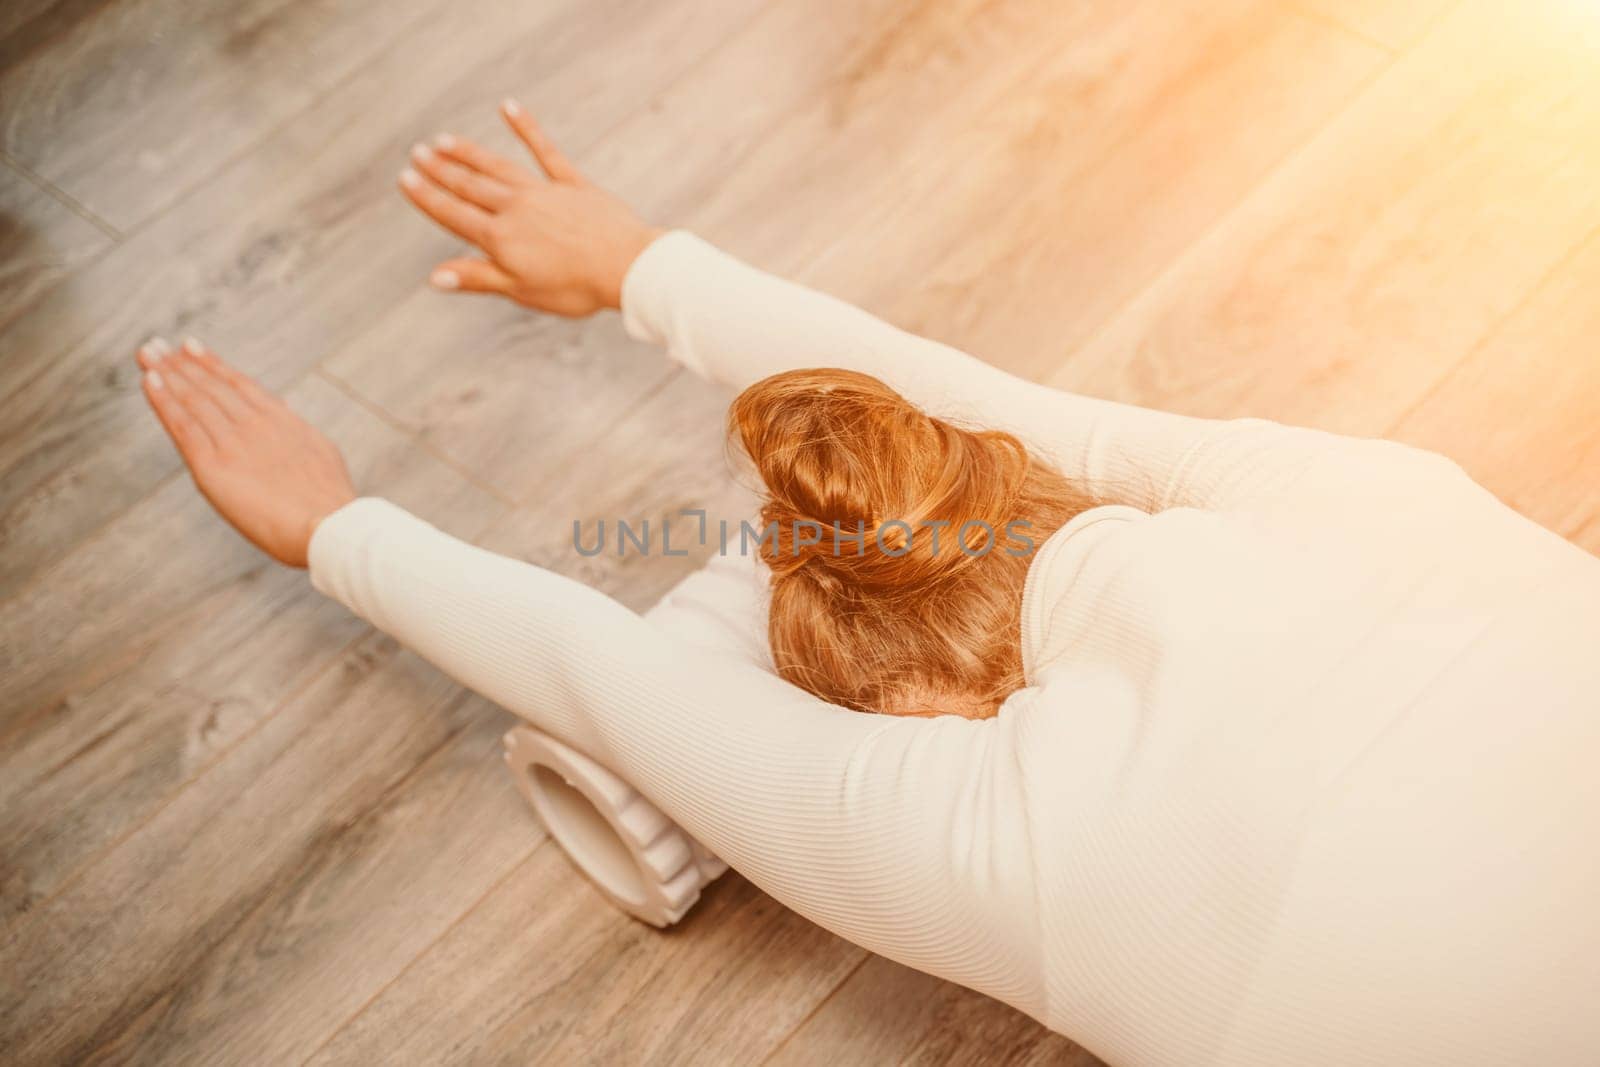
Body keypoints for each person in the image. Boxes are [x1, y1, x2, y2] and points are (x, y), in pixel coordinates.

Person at [134, 101, 1600, 1065]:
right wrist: (644, 267)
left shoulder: (1011, 844)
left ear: (921, 705)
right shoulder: (1350, 496)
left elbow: (621, 685)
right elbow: (991, 400)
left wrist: (332, 527)